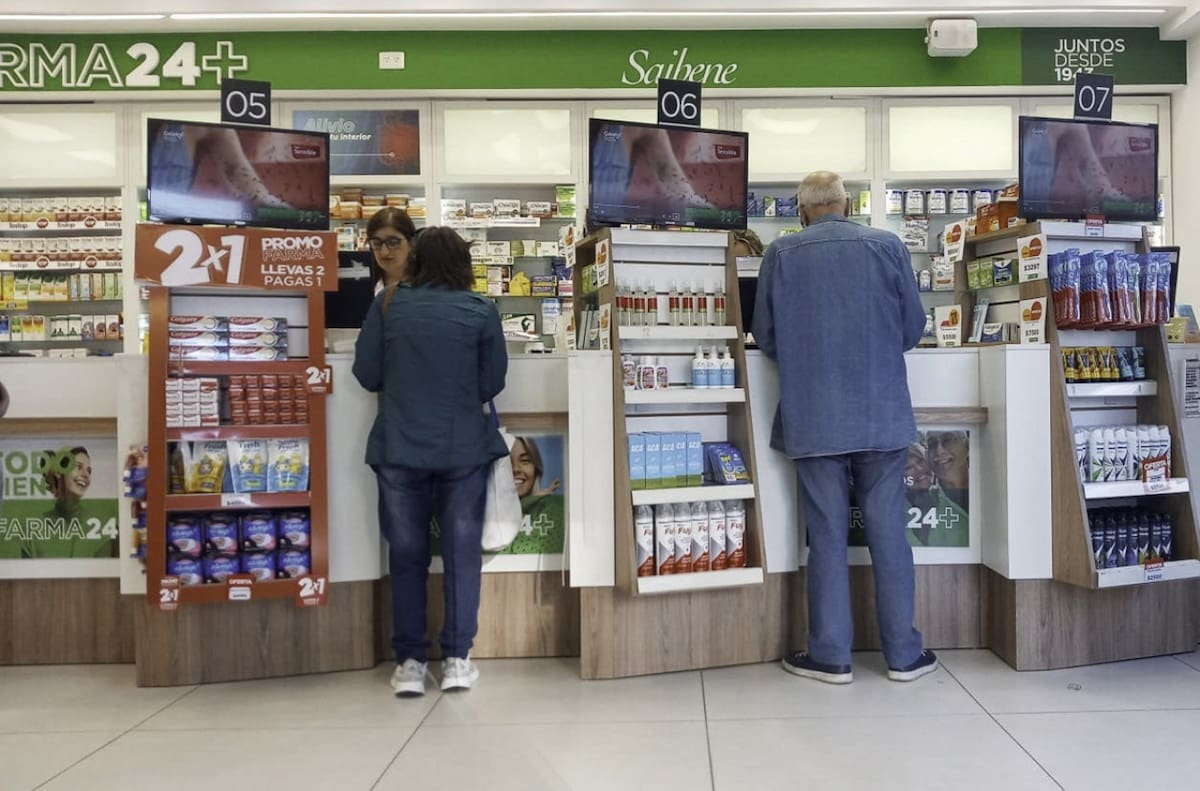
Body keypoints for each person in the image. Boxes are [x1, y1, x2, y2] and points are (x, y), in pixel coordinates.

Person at [753, 170, 937, 685]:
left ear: (802, 208)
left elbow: (765, 336)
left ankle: (831, 656)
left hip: (814, 418)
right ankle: (904, 654)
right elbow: (912, 329)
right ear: (847, 203)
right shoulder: (887, 246)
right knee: (889, 536)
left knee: (828, 537)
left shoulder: (780, 255)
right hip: (882, 414)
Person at [352, 225, 508, 698]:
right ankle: (458, 659)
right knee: (462, 556)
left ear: (415, 258)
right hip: (462, 449)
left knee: (406, 557)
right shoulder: (482, 310)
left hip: (400, 448)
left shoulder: (388, 304)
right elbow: (491, 383)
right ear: (464, 262)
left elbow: (366, 373)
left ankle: (411, 664)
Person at [365, 207, 418, 294]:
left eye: (393, 242)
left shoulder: (427, 285)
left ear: (411, 243)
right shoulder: (362, 283)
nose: (384, 252)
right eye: (376, 243)